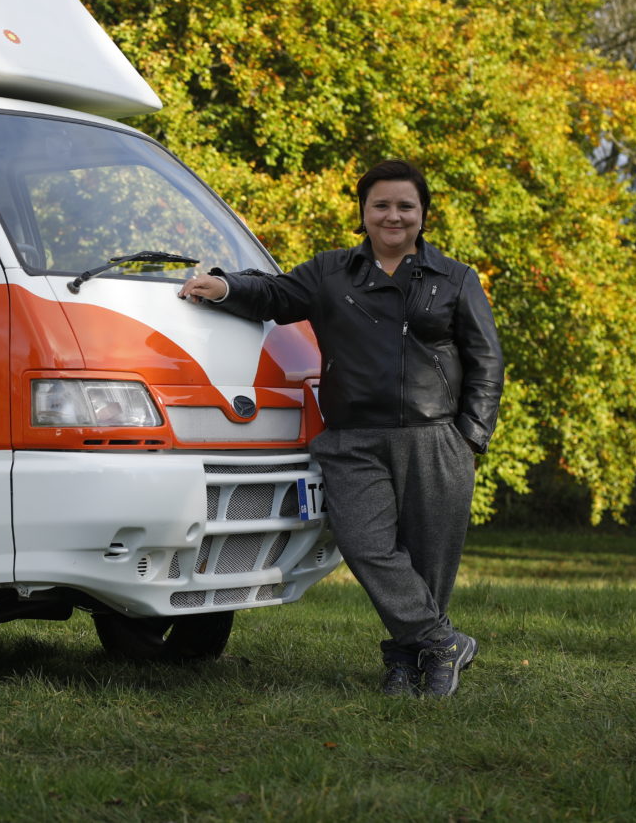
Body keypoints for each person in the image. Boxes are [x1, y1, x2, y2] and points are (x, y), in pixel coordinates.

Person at [179, 159, 503, 697]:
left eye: (405, 206)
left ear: (423, 214)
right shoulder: (331, 272)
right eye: (381, 205)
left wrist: (470, 436)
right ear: (363, 212)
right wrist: (225, 287)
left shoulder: (456, 279)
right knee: (364, 546)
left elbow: (486, 362)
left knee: (429, 561)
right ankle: (443, 641)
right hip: (351, 439)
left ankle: (411, 662)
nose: (393, 216)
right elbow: (278, 295)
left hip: (435, 438)